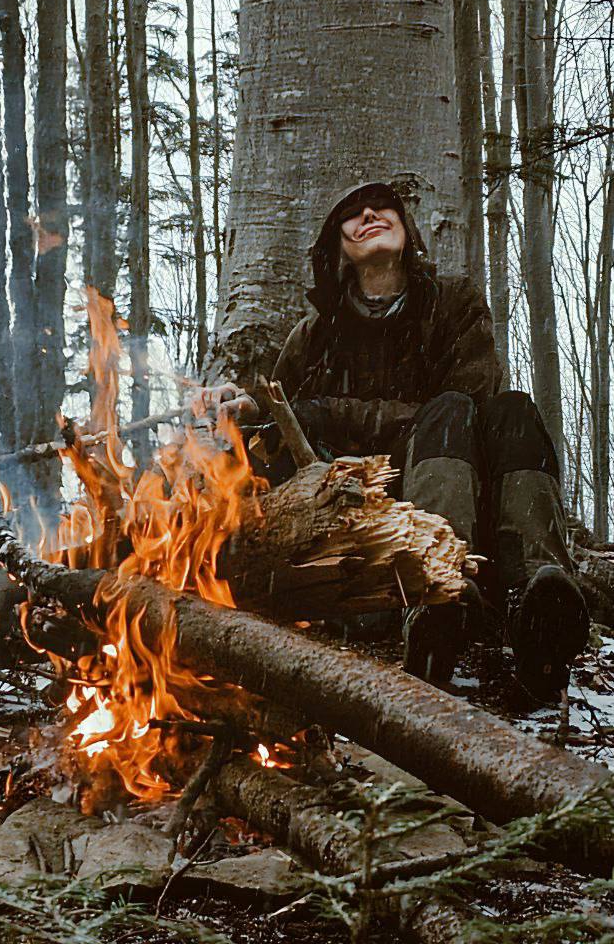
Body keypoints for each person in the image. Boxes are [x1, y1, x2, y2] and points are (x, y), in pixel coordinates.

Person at [197, 181, 590, 704]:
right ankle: (436, 596)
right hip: (376, 516)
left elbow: (473, 398)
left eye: (382, 207)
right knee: (446, 411)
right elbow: (286, 418)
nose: (369, 215)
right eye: (353, 213)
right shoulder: (315, 336)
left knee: (509, 409)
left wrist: (333, 412)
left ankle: (539, 602)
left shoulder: (455, 303)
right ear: (337, 245)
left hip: (466, 490)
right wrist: (245, 406)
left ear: (407, 228)